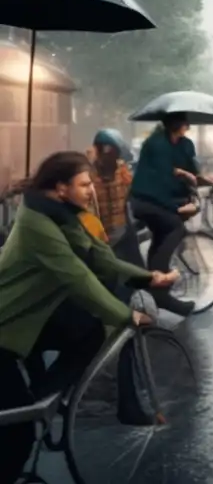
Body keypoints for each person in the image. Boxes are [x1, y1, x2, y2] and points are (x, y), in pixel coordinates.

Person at [0, 151, 179, 483]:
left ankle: (42, 400)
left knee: (90, 330)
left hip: (25, 320)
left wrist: (147, 277)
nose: (91, 190)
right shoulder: (37, 223)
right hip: (5, 329)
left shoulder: (64, 215)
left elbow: (101, 258)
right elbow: (79, 280)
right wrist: (130, 317)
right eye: (84, 184)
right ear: (60, 187)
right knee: (17, 435)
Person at [127, 113, 201, 316]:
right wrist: (176, 208)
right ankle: (159, 292)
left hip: (159, 199)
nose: (188, 127)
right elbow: (161, 181)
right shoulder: (157, 144)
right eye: (185, 124)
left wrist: (190, 171)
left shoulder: (179, 144)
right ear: (176, 125)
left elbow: (190, 171)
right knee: (175, 227)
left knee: (160, 237)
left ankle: (153, 286)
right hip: (146, 199)